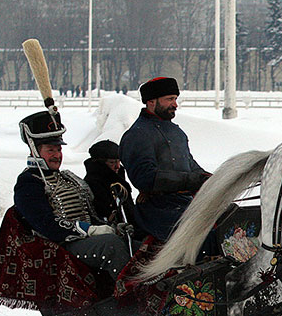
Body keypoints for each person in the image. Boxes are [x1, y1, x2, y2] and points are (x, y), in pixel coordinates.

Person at [13, 111, 131, 281]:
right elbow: (45, 224)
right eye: (50, 150)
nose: (57, 155)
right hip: (59, 247)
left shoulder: (68, 178)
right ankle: (130, 296)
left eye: (59, 149)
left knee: (135, 243)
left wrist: (112, 227)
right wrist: (89, 230)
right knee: (111, 246)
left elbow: (89, 214)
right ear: (35, 151)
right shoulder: (29, 183)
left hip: (85, 241)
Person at [119, 77, 211, 243]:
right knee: (204, 235)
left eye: (175, 99)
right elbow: (146, 178)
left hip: (184, 203)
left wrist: (210, 179)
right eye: (169, 99)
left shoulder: (177, 132)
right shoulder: (137, 134)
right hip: (157, 210)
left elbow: (190, 165)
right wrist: (193, 180)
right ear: (151, 102)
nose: (175, 104)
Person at [84, 139, 135, 226]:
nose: (117, 166)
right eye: (112, 162)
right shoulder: (93, 183)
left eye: (119, 161)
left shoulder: (118, 178)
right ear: (100, 164)